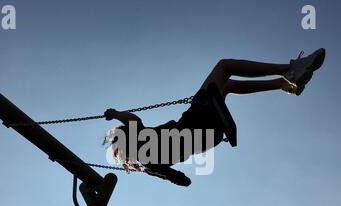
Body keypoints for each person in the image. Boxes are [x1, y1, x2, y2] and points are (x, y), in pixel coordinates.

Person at [104, 48, 326, 186]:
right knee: (225, 66)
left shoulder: (149, 165)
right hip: (194, 121)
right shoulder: (142, 138)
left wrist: (176, 176)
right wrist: (115, 114)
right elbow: (132, 120)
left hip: (210, 138)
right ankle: (290, 70)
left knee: (226, 86)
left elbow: (182, 180)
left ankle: (284, 85)